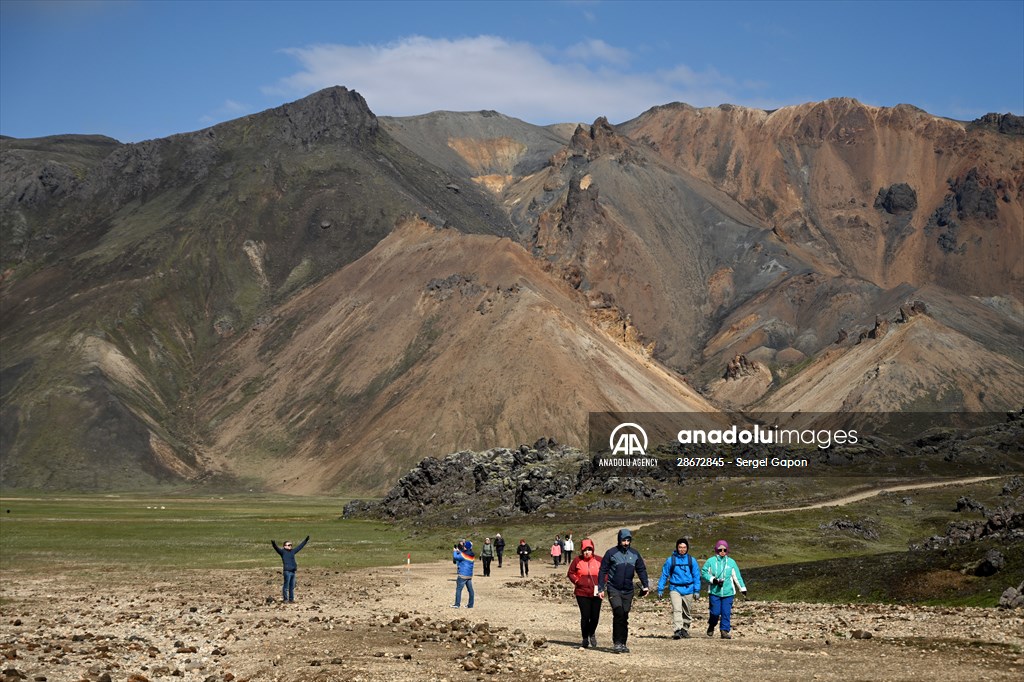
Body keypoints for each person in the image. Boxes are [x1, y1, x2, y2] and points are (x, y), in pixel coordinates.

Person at [598, 529, 650, 653]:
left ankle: (623, 643)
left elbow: (641, 570)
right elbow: (603, 570)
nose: (626, 543)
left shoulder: (635, 554)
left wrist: (645, 585)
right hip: (613, 588)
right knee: (618, 612)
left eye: (628, 540)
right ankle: (617, 642)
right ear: (619, 540)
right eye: (623, 540)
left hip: (628, 590)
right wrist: (600, 588)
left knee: (625, 615)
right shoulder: (611, 553)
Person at [657, 537, 702, 639]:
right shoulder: (670, 560)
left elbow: (696, 576)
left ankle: (685, 629)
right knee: (677, 609)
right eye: (680, 547)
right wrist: (660, 589)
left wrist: (697, 590)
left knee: (687, 611)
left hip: (688, 589)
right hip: (675, 588)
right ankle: (677, 630)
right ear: (677, 548)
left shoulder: (692, 560)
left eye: (684, 547)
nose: (682, 549)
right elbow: (664, 575)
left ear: (687, 548)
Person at [702, 539, 747, 639]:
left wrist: (742, 588)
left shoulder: (731, 562)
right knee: (715, 612)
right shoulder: (710, 561)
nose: (722, 552)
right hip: (714, 592)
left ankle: (724, 631)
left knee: (726, 612)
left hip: (728, 592)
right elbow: (704, 572)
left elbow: (737, 576)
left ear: (727, 550)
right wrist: (713, 580)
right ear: (716, 550)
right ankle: (712, 625)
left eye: (724, 550)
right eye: (720, 550)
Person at [566, 538, 603, 649]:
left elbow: (605, 573)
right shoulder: (577, 560)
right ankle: (584, 638)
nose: (587, 552)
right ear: (582, 551)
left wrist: (602, 584)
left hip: (596, 592)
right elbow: (571, 573)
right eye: (585, 550)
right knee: (585, 616)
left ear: (593, 550)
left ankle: (591, 633)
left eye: (589, 549)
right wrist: (577, 581)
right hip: (581, 592)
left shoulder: (599, 560)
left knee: (595, 617)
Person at [271, 536, 309, 603]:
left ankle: (291, 599)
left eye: (291, 545)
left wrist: (305, 540)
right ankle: (285, 599)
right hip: (287, 571)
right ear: (284, 546)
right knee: (286, 586)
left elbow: (300, 547)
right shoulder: (282, 552)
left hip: (293, 572)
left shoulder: (292, 551)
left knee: (292, 586)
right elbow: (276, 548)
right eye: (289, 545)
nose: (290, 546)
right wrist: (274, 544)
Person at [452, 540, 475, 608]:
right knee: (470, 590)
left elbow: (456, 557)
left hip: (462, 574)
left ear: (465, 547)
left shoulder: (463, 554)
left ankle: (457, 604)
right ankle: (470, 605)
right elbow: (464, 555)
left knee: (458, 589)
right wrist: (460, 552)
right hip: (469, 575)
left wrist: (455, 552)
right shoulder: (472, 554)